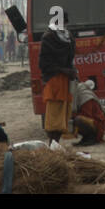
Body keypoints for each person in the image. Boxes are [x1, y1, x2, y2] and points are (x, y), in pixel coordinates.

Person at [38, 11, 76, 142]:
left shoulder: (69, 37)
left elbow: (71, 58)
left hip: (66, 82)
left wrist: (72, 71)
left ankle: (56, 144)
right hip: (54, 80)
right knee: (54, 116)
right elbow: (43, 64)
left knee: (63, 115)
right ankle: (52, 144)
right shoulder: (48, 38)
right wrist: (64, 70)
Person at [71, 80, 105, 146]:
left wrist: (73, 116)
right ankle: (86, 138)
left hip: (98, 126)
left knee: (78, 120)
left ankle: (91, 138)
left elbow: (87, 116)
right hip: (95, 123)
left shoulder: (86, 98)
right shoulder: (82, 95)